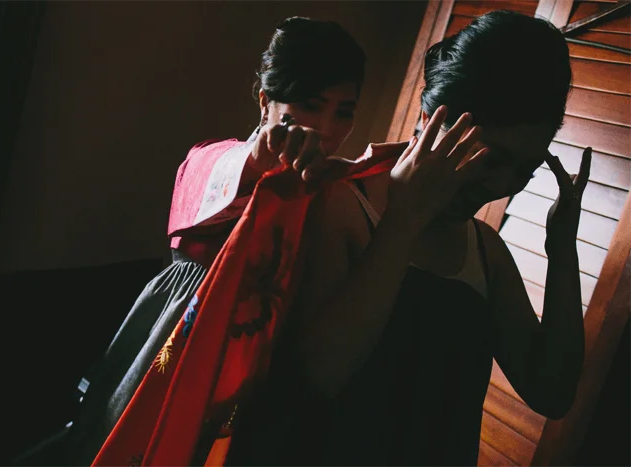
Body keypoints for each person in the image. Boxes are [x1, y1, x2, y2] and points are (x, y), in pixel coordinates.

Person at [217, 11, 589, 466]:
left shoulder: (486, 252)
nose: (502, 185)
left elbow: (551, 392)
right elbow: (318, 378)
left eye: (525, 170)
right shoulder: (340, 207)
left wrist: (562, 249)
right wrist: (405, 221)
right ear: (433, 121)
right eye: (491, 160)